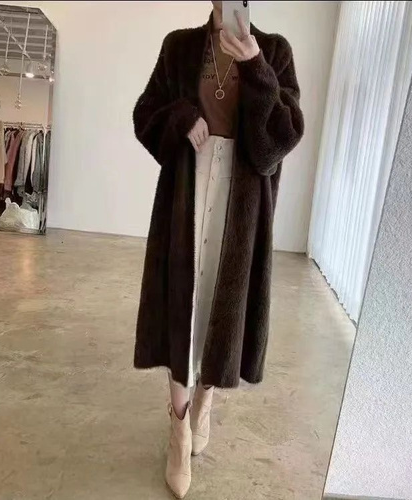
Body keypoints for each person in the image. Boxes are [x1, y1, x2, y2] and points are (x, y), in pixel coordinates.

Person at [132, 1, 303, 497]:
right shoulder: (179, 47)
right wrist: (182, 117)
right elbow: (145, 114)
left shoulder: (274, 51)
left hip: (242, 200)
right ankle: (179, 428)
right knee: (181, 307)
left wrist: (256, 66)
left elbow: (277, 143)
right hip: (186, 191)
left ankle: (205, 399)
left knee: (217, 309)